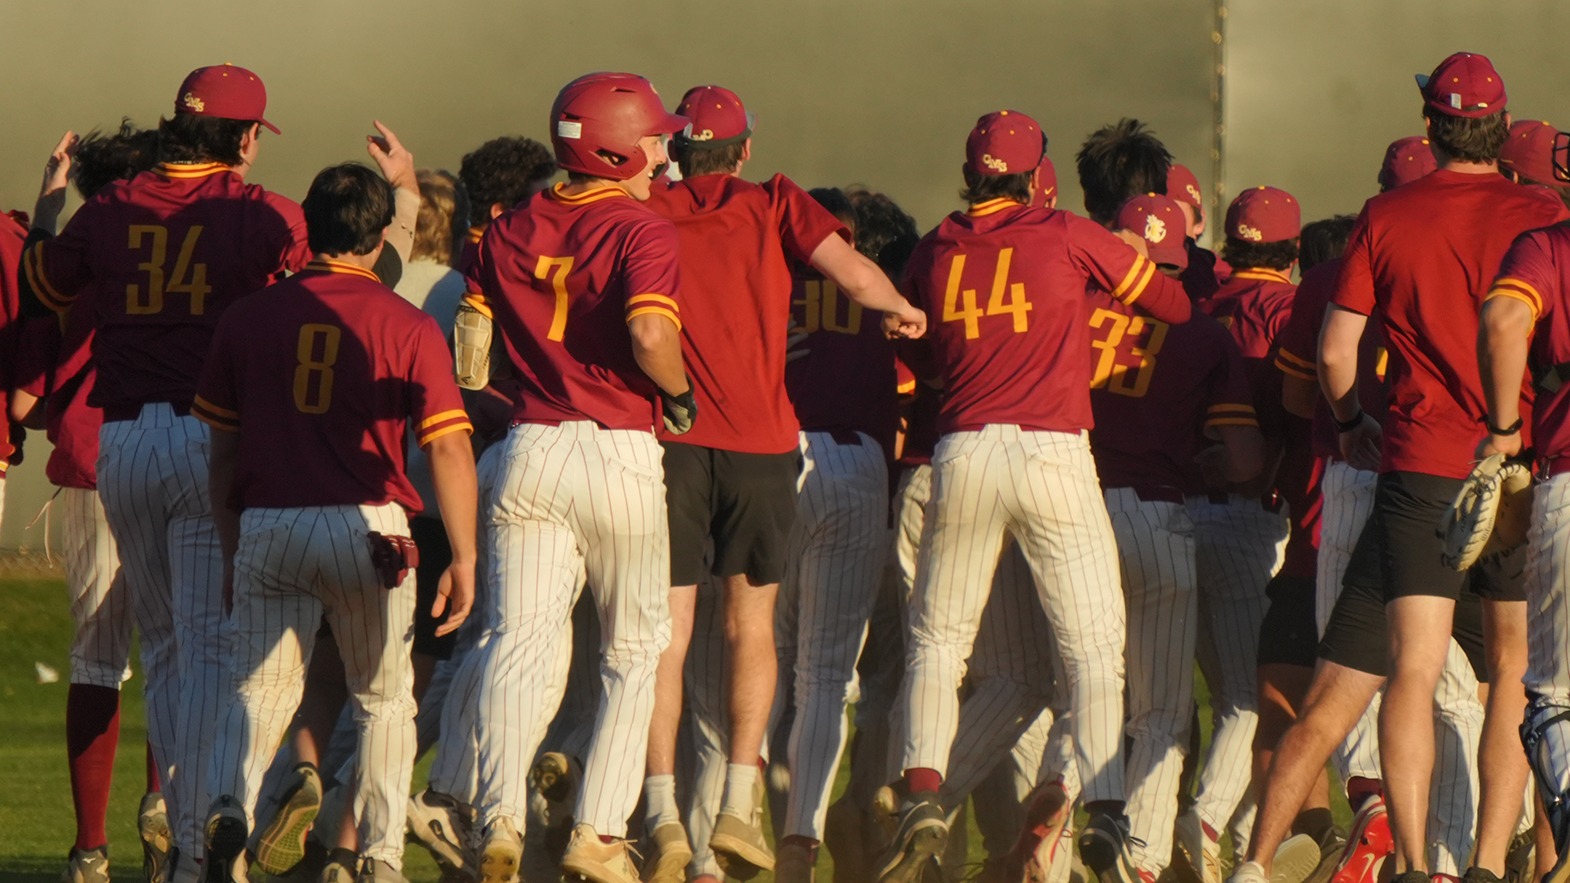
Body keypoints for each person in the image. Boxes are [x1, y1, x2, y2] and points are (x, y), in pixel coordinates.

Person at [878, 109, 1191, 883]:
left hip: (964, 447)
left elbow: (915, 338)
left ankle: (922, 787)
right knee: (1092, 644)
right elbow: (1173, 307)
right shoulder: (1063, 233)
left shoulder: (940, 243)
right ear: (1035, 171)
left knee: (939, 638)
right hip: (1053, 449)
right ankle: (1107, 808)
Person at [638, 83, 924, 882]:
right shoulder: (773, 201)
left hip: (675, 439)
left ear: (672, 146)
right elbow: (855, 273)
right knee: (768, 638)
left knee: (669, 638)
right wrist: (901, 307)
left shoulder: (650, 207)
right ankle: (750, 807)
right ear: (745, 148)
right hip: (765, 444)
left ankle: (665, 816)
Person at [195, 159, 476, 883]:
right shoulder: (407, 321)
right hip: (370, 525)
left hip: (269, 520)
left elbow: (222, 454)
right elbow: (446, 443)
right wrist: (466, 554)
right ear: (381, 233)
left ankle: (230, 804)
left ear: (310, 227)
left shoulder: (246, 318)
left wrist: (231, 548)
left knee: (256, 690)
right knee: (384, 700)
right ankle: (379, 855)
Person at [452, 71, 693, 883]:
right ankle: (596, 831)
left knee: (521, 641)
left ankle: (498, 817)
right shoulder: (642, 226)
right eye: (655, 136)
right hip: (618, 447)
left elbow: (471, 355)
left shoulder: (501, 229)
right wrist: (681, 391)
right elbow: (652, 333)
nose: (665, 149)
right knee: (634, 649)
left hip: (529, 446)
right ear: (616, 144)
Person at [1085, 192, 1268, 883]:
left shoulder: (1072, 306)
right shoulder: (1200, 331)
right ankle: (1142, 857)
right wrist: (1199, 460)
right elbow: (1246, 460)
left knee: (1067, 692)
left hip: (1071, 511)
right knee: (1162, 711)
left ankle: (1039, 846)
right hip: (1160, 512)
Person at [12, 121, 168, 883]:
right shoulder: (187, 240)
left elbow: (20, 400)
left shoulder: (73, 249)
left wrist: (49, 201)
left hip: (93, 455)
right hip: (182, 454)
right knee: (180, 651)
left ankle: (89, 850)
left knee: (98, 660)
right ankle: (164, 806)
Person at [770, 186, 900, 883]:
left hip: (771, 464)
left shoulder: (761, 283)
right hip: (855, 468)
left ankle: (732, 829)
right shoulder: (876, 293)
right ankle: (800, 839)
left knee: (762, 670)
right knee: (826, 678)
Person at [1181, 185, 1301, 880]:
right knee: (1247, 702)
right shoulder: (1285, 309)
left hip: (1179, 512)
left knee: (1181, 698)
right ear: (1290, 250)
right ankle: (1202, 821)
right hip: (1248, 516)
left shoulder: (1199, 305)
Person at [1477, 170, 1570, 883]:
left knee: (1556, 694)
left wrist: (1506, 428)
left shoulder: (1548, 245)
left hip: (1566, 476)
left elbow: (1506, 319)